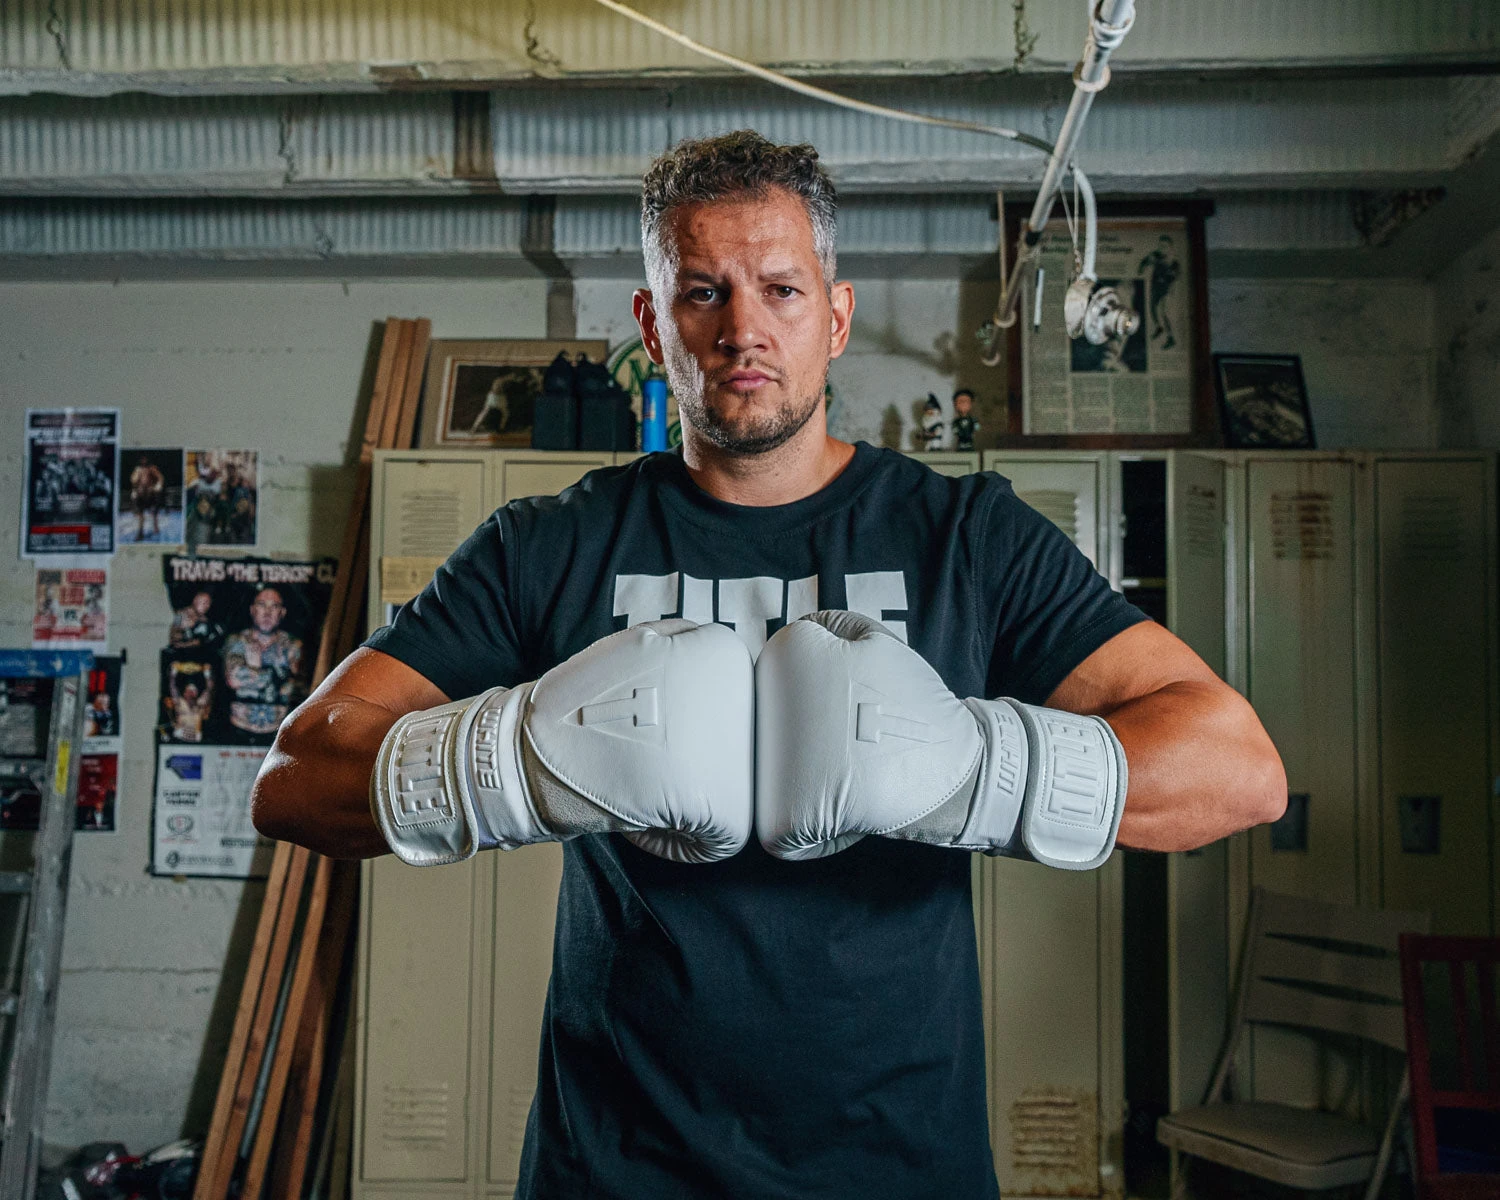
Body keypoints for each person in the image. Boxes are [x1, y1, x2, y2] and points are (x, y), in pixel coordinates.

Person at [252, 131, 1286, 1199]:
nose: (743, 329)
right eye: (703, 292)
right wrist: (511, 762)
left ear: (835, 318)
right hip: (615, 1169)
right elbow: (295, 777)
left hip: (898, 1168)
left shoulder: (965, 537)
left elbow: (1237, 768)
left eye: (782, 290)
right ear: (653, 324)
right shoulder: (551, 546)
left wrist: (977, 767)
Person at [223, 588, 304, 737]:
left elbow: (296, 688)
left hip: (280, 731)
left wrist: (252, 669)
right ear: (252, 610)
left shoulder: (292, 645)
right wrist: (277, 676)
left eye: (274, 606)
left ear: (282, 612)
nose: (267, 612)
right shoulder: (237, 641)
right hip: (239, 729)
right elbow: (234, 680)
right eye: (261, 605)